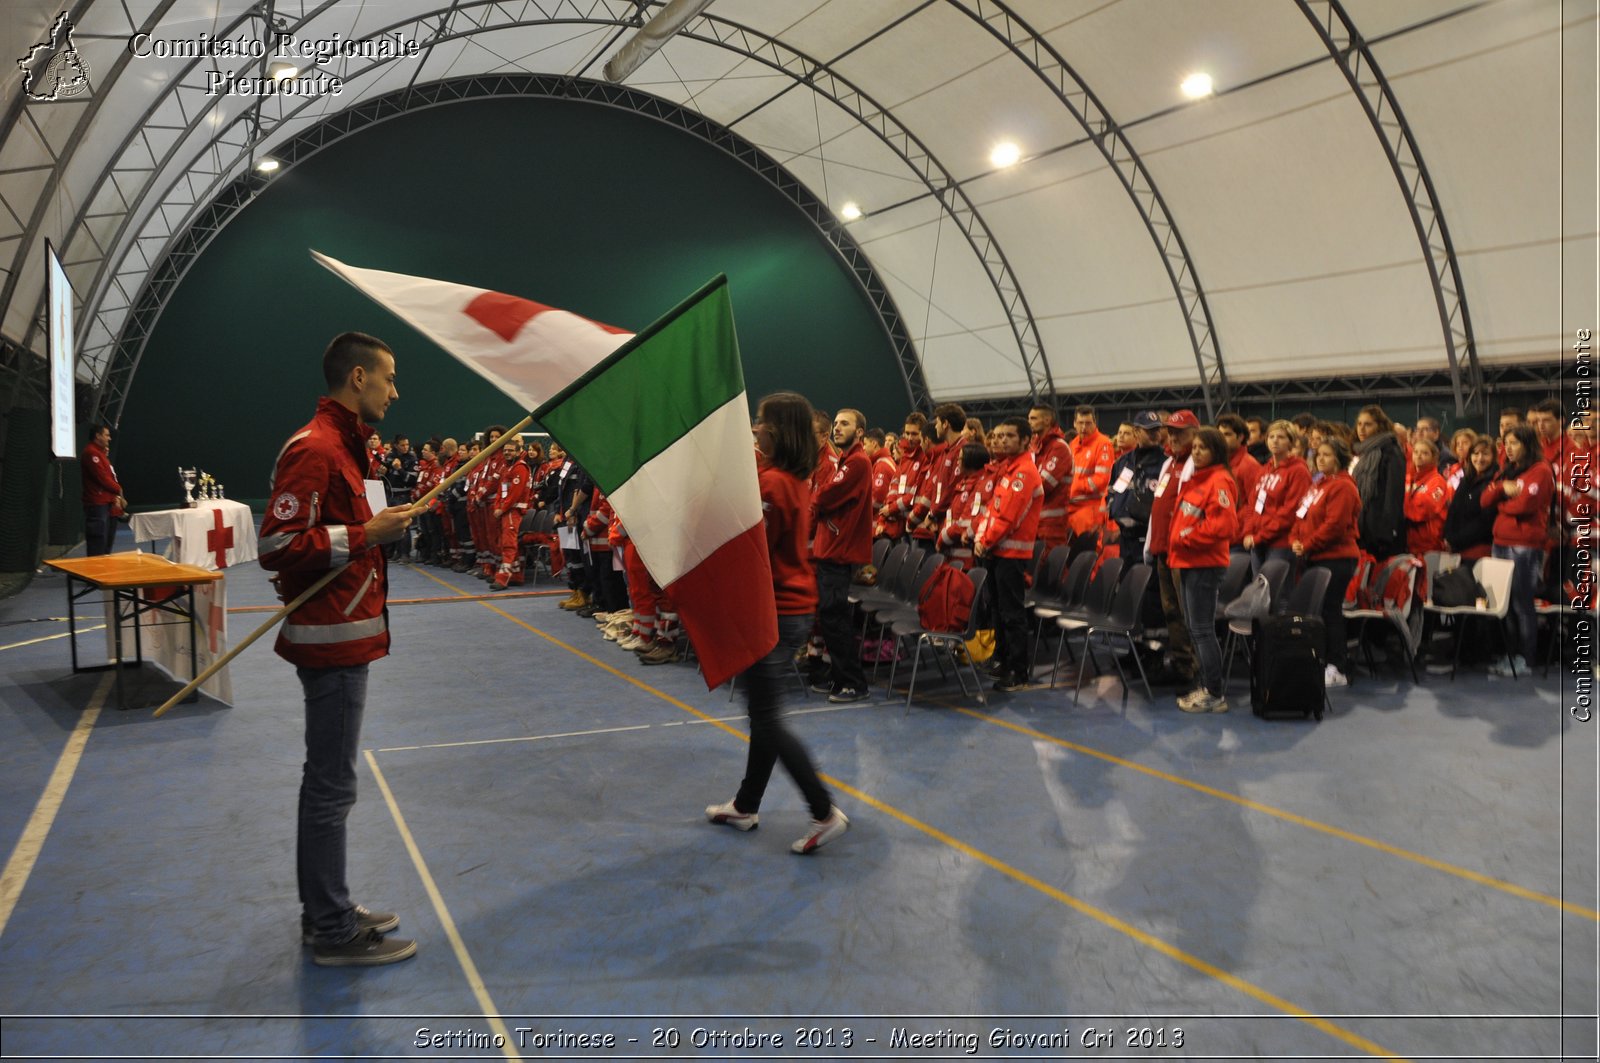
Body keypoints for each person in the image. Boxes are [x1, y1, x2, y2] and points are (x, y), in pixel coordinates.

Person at [258, 331, 417, 967]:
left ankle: (326, 905)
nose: (394, 391)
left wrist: (379, 531)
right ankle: (330, 929)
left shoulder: (347, 451)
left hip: (345, 634)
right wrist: (362, 533)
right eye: (389, 378)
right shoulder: (318, 448)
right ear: (357, 378)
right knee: (331, 788)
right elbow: (275, 545)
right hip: (331, 642)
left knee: (330, 783)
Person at [705, 391, 849, 855]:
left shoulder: (773, 486)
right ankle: (746, 805)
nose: (755, 428)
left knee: (767, 718)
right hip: (784, 608)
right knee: (762, 715)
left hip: (779, 610)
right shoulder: (782, 478)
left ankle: (824, 812)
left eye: (761, 422)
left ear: (778, 431)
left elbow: (755, 553)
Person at [1168, 427, 1240, 713]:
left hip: (1204, 564)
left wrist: (1188, 537)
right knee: (1195, 629)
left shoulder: (1219, 481)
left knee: (1202, 630)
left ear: (1216, 451)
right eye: (1194, 447)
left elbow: (1225, 526)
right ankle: (1208, 686)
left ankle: (1215, 692)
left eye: (1203, 448)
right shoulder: (1198, 480)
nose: (1196, 451)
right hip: (1188, 562)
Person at [974, 418, 1043, 693]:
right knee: (998, 610)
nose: (1002, 440)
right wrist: (982, 538)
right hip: (997, 550)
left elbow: (1008, 517)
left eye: (1009, 436)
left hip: (1012, 553)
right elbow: (992, 510)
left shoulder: (1024, 473)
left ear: (1025, 440)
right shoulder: (1008, 470)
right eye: (999, 436)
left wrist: (985, 540)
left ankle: (1018, 671)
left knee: (1012, 613)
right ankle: (1002, 660)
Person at [1480, 424, 1554, 677]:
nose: (1508, 448)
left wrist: (1501, 505)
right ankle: (1511, 656)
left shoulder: (1540, 471)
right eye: (1505, 443)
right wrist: (1502, 490)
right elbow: (1484, 500)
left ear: (1527, 444)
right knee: (1505, 604)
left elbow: (1525, 506)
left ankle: (1526, 658)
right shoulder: (1507, 471)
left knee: (1522, 604)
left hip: (1524, 546)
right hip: (1500, 542)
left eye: (1514, 443)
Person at [811, 407, 873, 704]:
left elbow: (823, 496)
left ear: (859, 432)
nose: (837, 427)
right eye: (835, 423)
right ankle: (840, 675)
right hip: (832, 549)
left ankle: (852, 682)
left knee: (835, 619)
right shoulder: (848, 461)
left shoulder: (857, 463)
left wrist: (818, 500)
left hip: (838, 551)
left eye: (844, 424)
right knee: (831, 617)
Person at [1290, 436, 1363, 688]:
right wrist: (1295, 540)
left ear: (1340, 458)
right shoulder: (1318, 485)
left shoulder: (1343, 486)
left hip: (1337, 558)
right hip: (1316, 556)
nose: (1320, 458)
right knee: (1320, 613)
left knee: (1330, 612)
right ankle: (1324, 661)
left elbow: (1335, 526)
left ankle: (1338, 668)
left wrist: (1306, 544)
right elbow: (1300, 517)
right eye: (1318, 454)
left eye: (1327, 454)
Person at [1241, 419, 1311, 576]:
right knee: (1259, 593)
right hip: (1257, 542)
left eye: (1281, 437)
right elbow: (1252, 505)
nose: (1275, 441)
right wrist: (1248, 533)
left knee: (1278, 594)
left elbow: (1291, 512)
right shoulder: (1264, 470)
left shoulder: (1298, 471)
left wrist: (1259, 536)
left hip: (1281, 543)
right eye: (1271, 436)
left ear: (1291, 442)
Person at [1351, 405, 1406, 560]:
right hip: (1362, 528)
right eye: (1359, 424)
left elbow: (1393, 495)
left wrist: (1386, 533)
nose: (1361, 429)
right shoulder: (1361, 452)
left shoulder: (1391, 451)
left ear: (1380, 426)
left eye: (1368, 424)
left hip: (1380, 534)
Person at [1442, 439, 1499, 562]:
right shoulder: (1465, 480)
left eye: (1485, 454)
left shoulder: (1495, 481)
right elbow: (1453, 511)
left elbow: (1484, 522)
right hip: (1456, 547)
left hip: (1479, 548)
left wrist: (1456, 540)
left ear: (1493, 456)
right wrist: (1448, 538)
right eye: (1476, 454)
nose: (1479, 458)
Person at [1027, 404, 1073, 554]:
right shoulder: (1035, 448)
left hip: (1052, 525)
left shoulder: (1059, 448)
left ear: (1047, 420)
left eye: (1033, 418)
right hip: (1035, 522)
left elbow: (1043, 486)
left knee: (1051, 571)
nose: (1029, 422)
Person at [80, 424, 126, 556]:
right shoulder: (91, 453)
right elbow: (103, 479)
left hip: (106, 504)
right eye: (106, 435)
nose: (109, 438)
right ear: (98, 436)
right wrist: (118, 489)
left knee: (105, 544)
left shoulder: (100, 454)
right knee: (97, 543)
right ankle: (95, 574)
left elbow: (108, 476)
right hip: (97, 505)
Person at [1403, 438, 1452, 557]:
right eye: (1416, 452)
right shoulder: (1409, 479)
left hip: (1430, 545)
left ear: (1434, 457)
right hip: (1409, 543)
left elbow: (1425, 509)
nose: (1419, 456)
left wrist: (1404, 509)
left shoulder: (1437, 482)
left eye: (1424, 453)